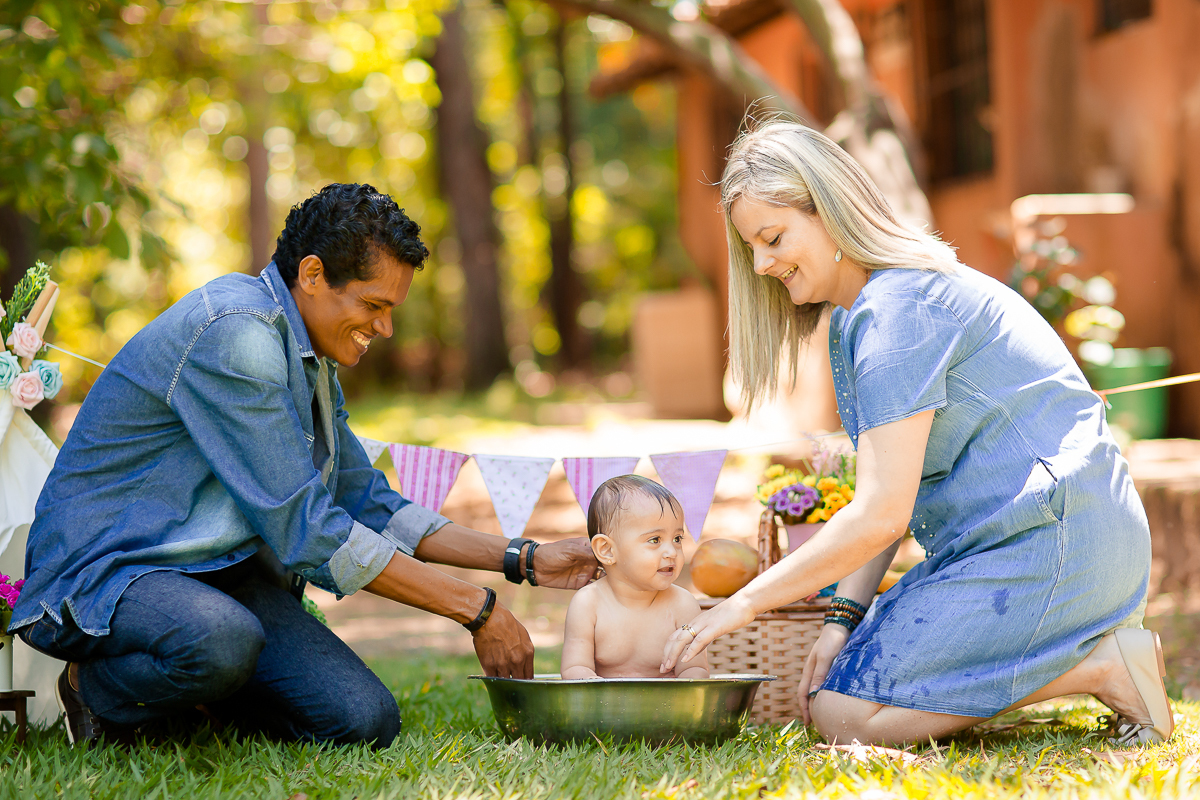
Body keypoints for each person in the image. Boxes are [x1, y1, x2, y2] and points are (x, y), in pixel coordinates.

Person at [12, 183, 597, 749]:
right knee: (221, 641)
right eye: (374, 305)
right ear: (312, 275)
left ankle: (193, 699)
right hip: (108, 572)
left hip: (217, 573)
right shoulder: (236, 335)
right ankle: (94, 690)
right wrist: (476, 609)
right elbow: (310, 529)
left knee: (362, 720)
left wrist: (524, 558)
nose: (386, 328)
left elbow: (365, 501)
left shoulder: (310, 356)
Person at [660, 121, 1174, 746]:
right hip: (1006, 543)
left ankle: (1101, 665)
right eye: (753, 249)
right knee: (834, 702)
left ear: (831, 211)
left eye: (773, 238)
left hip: (1056, 542)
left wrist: (745, 604)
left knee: (842, 717)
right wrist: (839, 622)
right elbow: (888, 498)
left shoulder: (898, 313)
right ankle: (1094, 659)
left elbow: (879, 515)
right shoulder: (860, 318)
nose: (764, 264)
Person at [561, 475, 708, 679]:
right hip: (604, 708)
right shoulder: (588, 603)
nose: (671, 552)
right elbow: (575, 668)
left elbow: (694, 669)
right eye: (655, 540)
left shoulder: (682, 604)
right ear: (607, 550)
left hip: (667, 708)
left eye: (677, 539)